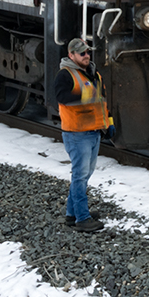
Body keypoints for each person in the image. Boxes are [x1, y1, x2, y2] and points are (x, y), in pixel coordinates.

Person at [55, 37, 111, 233]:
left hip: (93, 132)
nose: (86, 56)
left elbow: (102, 101)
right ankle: (82, 218)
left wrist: (109, 123)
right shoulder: (66, 75)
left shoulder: (93, 74)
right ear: (71, 55)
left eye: (88, 52)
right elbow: (61, 97)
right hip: (77, 134)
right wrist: (85, 97)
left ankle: (72, 214)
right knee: (80, 176)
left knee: (85, 174)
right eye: (82, 53)